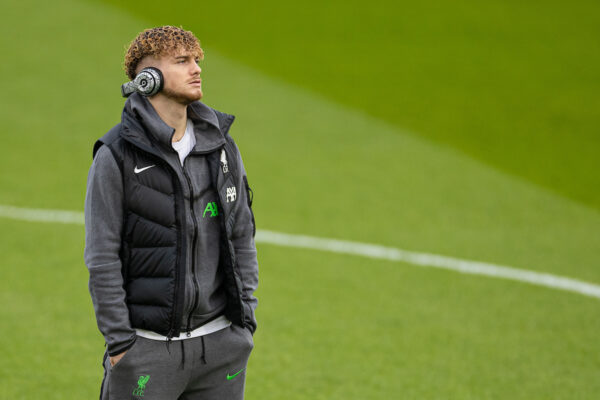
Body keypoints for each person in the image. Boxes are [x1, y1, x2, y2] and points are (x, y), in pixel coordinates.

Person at [84, 25, 259, 400]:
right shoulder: (115, 156)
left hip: (220, 348)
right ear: (147, 79)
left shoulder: (222, 146)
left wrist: (244, 324)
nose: (196, 68)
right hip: (145, 352)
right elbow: (102, 258)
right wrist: (120, 346)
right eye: (182, 61)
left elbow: (241, 233)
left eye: (197, 60)